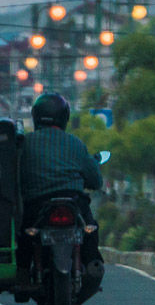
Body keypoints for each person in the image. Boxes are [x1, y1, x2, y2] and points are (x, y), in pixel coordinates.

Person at [18, 92, 103, 289]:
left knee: (23, 234)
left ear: (36, 116)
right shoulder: (76, 143)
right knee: (90, 228)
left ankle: (22, 272)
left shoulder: (24, 144)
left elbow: (15, 180)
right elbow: (96, 181)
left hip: (35, 206)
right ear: (65, 117)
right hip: (74, 203)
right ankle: (93, 263)